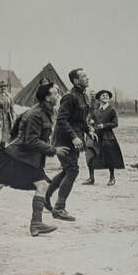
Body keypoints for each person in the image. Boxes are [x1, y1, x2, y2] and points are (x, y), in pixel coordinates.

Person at [0, 83, 70, 237]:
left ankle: (36, 223)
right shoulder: (35, 114)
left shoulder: (45, 111)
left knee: (40, 185)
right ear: (47, 97)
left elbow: (17, 129)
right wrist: (53, 150)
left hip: (27, 158)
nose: (58, 96)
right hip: (19, 158)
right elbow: (31, 140)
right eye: (56, 93)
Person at [48, 68, 97, 222]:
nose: (87, 78)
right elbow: (62, 120)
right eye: (84, 76)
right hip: (64, 140)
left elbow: (81, 119)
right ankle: (59, 208)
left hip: (75, 138)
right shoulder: (69, 97)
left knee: (67, 171)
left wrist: (88, 129)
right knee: (72, 170)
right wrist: (74, 137)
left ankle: (45, 197)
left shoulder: (83, 96)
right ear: (76, 81)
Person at [83, 90, 125, 186]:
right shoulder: (96, 110)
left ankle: (112, 178)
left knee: (109, 155)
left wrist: (104, 125)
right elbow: (88, 120)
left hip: (107, 136)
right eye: (103, 95)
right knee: (90, 154)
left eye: (107, 95)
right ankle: (91, 178)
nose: (105, 96)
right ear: (99, 98)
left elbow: (115, 123)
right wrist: (91, 124)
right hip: (96, 136)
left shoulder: (111, 110)